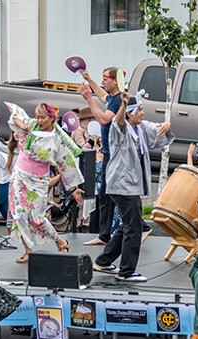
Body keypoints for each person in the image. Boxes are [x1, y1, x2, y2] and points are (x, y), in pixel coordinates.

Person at [92, 91, 174, 282]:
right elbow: (119, 121)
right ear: (130, 112)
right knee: (134, 227)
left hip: (130, 184)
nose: (143, 113)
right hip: (121, 184)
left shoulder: (141, 127)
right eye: (140, 110)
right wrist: (122, 105)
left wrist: (167, 125)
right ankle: (126, 271)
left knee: (129, 224)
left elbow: (161, 132)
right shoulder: (118, 127)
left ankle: (104, 261)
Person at [6, 102, 84, 263]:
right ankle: (28, 249)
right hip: (20, 176)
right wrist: (23, 126)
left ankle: (59, 241)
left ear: (52, 118)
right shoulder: (32, 126)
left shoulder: (57, 139)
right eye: (38, 117)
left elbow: (66, 164)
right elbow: (16, 116)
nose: (39, 120)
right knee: (19, 214)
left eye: (43, 117)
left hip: (38, 180)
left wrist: (74, 188)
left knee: (37, 218)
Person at [78, 67, 121, 246]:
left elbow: (104, 119)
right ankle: (104, 235)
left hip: (114, 153)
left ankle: (138, 226)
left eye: (105, 79)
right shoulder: (112, 97)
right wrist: (89, 78)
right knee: (106, 193)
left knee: (113, 193)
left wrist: (89, 99)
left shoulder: (118, 101)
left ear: (115, 81)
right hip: (109, 151)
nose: (102, 82)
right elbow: (103, 95)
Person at [0, 129, 19, 224]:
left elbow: (1, 148)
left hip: (6, 183)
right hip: (0, 183)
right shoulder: (9, 148)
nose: (16, 134)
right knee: (7, 215)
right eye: (13, 132)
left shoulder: (17, 149)